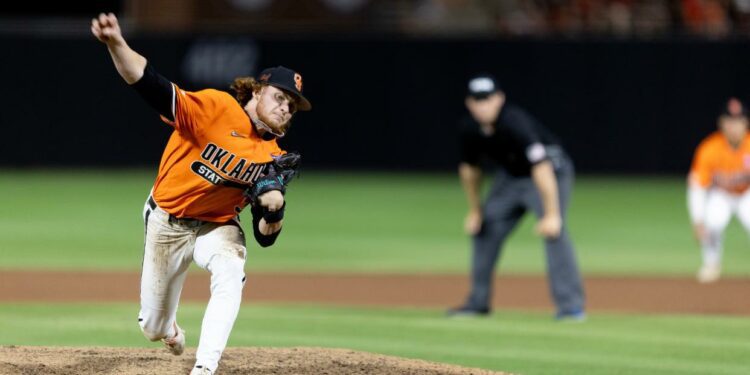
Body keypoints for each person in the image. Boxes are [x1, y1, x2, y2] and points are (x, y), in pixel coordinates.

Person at [91, 13, 311, 375]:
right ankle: (171, 330)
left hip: (216, 226)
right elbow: (149, 84)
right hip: (167, 220)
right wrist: (116, 41)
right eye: (279, 96)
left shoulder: (274, 157)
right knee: (152, 327)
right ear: (256, 92)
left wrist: (274, 212)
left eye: (292, 104)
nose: (285, 107)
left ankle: (205, 368)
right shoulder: (216, 109)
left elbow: (264, 238)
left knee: (231, 269)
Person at [447, 73, 585, 321]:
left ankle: (570, 307)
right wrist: (475, 210)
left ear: (499, 99)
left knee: (554, 231)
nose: (483, 105)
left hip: (550, 172)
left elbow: (541, 168)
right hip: (510, 178)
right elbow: (470, 171)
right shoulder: (470, 129)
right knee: (484, 229)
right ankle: (477, 303)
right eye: (477, 100)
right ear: (469, 103)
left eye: (487, 99)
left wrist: (552, 215)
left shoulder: (514, 122)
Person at [688, 97, 750, 284]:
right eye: (729, 121)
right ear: (721, 123)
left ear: (746, 123)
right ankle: (711, 265)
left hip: (747, 194)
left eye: (738, 121)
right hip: (721, 195)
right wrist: (697, 220)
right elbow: (697, 186)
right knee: (712, 223)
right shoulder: (709, 148)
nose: (734, 126)